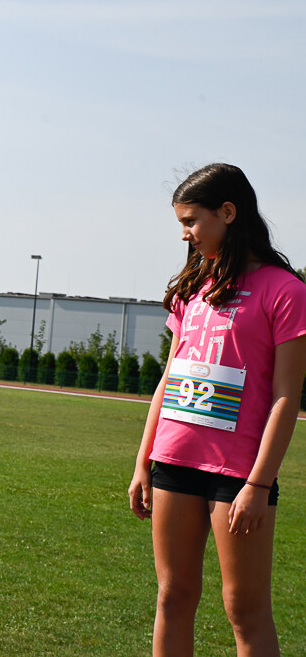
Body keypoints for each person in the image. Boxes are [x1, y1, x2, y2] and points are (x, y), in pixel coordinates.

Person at [128, 163, 306, 656]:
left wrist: (259, 483)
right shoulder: (192, 290)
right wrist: (143, 462)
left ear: (228, 213)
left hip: (240, 475)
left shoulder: (285, 291)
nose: (185, 234)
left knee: (244, 610)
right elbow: (168, 379)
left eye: (191, 221)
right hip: (174, 464)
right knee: (174, 596)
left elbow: (287, 395)